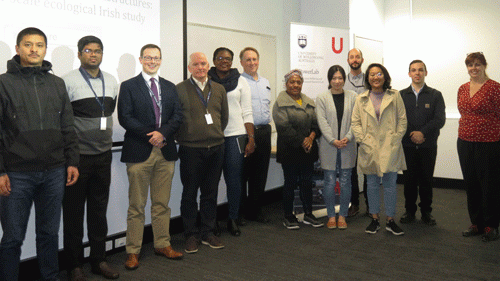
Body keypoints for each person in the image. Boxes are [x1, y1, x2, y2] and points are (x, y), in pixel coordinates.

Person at [0, 27, 80, 281]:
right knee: (12, 238)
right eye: (28, 44)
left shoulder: (57, 83)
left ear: (45, 49)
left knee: (48, 235)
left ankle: (50, 277)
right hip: (16, 174)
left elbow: (67, 126)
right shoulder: (3, 83)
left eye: (39, 45)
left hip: (55, 172)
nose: (34, 49)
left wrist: (72, 162)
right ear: (17, 49)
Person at [118, 44, 184, 270]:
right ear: (141, 59)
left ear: (161, 60)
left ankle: (162, 244)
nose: (152, 61)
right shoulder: (128, 86)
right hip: (139, 151)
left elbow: (177, 115)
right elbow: (125, 117)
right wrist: (151, 135)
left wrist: (163, 134)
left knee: (161, 204)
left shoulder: (169, 87)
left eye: (156, 58)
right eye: (148, 57)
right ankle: (133, 251)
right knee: (137, 205)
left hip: (165, 150)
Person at [62, 36, 120, 280]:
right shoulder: (67, 81)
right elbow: (62, 120)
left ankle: (99, 260)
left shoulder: (112, 80)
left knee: (98, 212)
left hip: (103, 156)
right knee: (74, 214)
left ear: (102, 54)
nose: (93, 55)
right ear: (79, 54)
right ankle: (74, 265)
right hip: (77, 159)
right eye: (88, 51)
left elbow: (109, 110)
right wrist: (70, 158)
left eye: (97, 51)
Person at [176, 52, 229, 253]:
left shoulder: (219, 89)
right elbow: (175, 118)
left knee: (210, 192)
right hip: (191, 150)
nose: (200, 67)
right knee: (189, 193)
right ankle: (190, 234)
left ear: (209, 66)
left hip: (216, 148)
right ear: (189, 68)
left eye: (203, 64)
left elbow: (223, 118)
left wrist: (213, 134)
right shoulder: (179, 89)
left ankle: (208, 232)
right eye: (196, 64)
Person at [351, 63, 407, 236]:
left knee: (390, 185)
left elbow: (402, 120)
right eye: (372, 74)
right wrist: (362, 140)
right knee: (372, 184)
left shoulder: (395, 95)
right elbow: (355, 122)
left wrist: (396, 138)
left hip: (390, 146)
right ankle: (374, 218)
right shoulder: (361, 99)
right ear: (367, 78)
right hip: (370, 146)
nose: (376, 77)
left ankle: (390, 220)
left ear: (385, 76)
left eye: (379, 74)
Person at [207, 47, 254, 236]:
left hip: (235, 136)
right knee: (211, 182)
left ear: (233, 61)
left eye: (227, 58)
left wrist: (251, 138)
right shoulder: (206, 81)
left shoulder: (242, 82)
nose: (224, 61)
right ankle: (212, 221)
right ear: (214, 60)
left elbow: (247, 111)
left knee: (234, 181)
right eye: (220, 58)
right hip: (212, 136)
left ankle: (232, 218)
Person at [273, 69, 323, 230]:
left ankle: (308, 214)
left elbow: (317, 124)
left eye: (298, 82)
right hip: (290, 151)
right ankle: (288, 216)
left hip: (308, 151)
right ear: (286, 84)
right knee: (290, 183)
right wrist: (303, 141)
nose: (295, 85)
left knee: (307, 182)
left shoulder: (309, 102)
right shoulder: (280, 103)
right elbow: (283, 128)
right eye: (292, 82)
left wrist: (311, 137)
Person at [458, 52, 500, 242]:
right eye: (470, 65)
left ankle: (491, 226)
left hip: (489, 143)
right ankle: (476, 223)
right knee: (471, 184)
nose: (473, 68)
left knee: (489, 185)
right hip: (465, 142)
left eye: (477, 64)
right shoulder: (463, 88)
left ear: (484, 66)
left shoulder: (494, 88)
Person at [399, 60, 445, 226]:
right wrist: (413, 133)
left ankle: (426, 212)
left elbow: (439, 120)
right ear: (409, 73)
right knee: (409, 181)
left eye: (420, 70)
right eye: (413, 70)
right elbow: (399, 119)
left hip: (428, 145)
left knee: (426, 180)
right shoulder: (401, 95)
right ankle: (409, 211)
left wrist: (422, 133)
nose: (417, 73)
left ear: (426, 72)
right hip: (408, 145)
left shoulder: (435, 95)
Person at [316, 65, 357, 229]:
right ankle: (331, 215)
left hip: (348, 145)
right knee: (330, 182)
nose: (337, 81)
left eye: (340, 78)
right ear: (329, 80)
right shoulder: (321, 98)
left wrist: (347, 137)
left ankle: (343, 216)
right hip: (328, 146)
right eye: (334, 78)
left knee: (346, 181)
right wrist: (333, 140)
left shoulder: (353, 96)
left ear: (344, 80)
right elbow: (322, 121)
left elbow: (356, 120)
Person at [239, 47, 272, 224]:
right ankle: (242, 212)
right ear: (242, 63)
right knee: (243, 174)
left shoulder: (265, 81)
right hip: (246, 133)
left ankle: (256, 211)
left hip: (264, 132)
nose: (252, 63)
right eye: (248, 60)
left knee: (260, 173)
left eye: (254, 59)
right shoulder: (238, 82)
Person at [344, 48, 368, 217]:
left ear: (362, 59)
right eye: (351, 57)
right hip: (349, 131)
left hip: (368, 130)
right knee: (351, 170)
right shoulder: (341, 80)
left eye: (357, 56)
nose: (354, 59)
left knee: (368, 170)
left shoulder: (371, 79)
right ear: (348, 60)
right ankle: (355, 204)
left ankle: (370, 205)